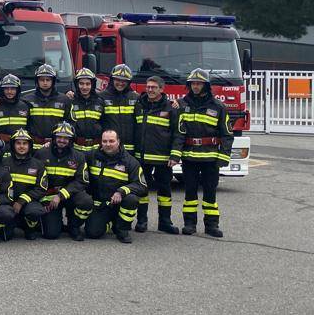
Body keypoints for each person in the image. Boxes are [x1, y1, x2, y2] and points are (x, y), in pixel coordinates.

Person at [172, 68, 232, 237]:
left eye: (199, 84)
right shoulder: (182, 105)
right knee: (190, 192)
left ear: (206, 85)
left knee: (210, 192)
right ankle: (189, 224)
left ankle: (211, 225)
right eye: (193, 84)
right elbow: (178, 133)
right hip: (190, 157)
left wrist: (224, 156)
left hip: (211, 158)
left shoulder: (218, 107)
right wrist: (176, 154)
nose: (196, 86)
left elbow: (227, 134)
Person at [133, 75, 180, 234]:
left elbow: (178, 133)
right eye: (148, 87)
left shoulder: (170, 108)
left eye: (154, 87)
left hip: (163, 158)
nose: (150, 90)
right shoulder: (139, 105)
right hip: (142, 157)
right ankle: (141, 221)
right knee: (142, 191)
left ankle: (165, 222)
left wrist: (174, 155)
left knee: (164, 191)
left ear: (161, 89)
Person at [84, 129, 147, 243]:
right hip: (100, 205)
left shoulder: (130, 161)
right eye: (105, 141)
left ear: (118, 142)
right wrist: (48, 146)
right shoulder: (91, 156)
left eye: (111, 141)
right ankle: (110, 223)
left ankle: (122, 229)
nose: (108, 144)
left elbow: (142, 186)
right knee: (92, 233)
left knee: (131, 198)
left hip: (119, 204)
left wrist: (121, 191)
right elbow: (72, 156)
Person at [32, 121, 91, 241]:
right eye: (59, 137)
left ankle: (74, 226)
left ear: (71, 139)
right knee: (51, 234)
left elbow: (82, 181)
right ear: (53, 138)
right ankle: (52, 222)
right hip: (49, 196)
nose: (62, 140)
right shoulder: (41, 153)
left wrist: (61, 195)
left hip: (70, 194)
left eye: (66, 138)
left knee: (86, 201)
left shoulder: (79, 156)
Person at [1, 128, 47, 241]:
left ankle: (29, 227)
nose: (21, 146)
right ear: (13, 145)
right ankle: (14, 222)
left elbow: (41, 188)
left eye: (25, 143)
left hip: (28, 202)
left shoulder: (38, 165)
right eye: (18, 143)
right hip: (8, 202)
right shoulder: (3, 162)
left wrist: (21, 201)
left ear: (29, 146)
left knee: (35, 211)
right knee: (6, 236)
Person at [25, 63, 71, 149]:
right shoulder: (27, 100)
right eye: (42, 80)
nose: (45, 83)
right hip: (33, 147)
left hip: (56, 146)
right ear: (37, 81)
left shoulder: (64, 100)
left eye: (48, 79)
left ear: (53, 81)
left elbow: (69, 123)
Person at [100, 63, 140, 156]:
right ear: (112, 79)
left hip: (130, 149)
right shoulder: (101, 97)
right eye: (118, 80)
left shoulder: (136, 98)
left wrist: (173, 102)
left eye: (124, 81)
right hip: (109, 148)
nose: (121, 83)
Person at [69, 67, 105, 153]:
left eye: (88, 84)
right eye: (81, 83)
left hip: (96, 149)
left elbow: (106, 123)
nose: (84, 87)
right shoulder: (70, 101)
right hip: (75, 149)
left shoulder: (100, 102)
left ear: (92, 85)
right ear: (77, 84)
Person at [0, 73, 30, 143]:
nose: (9, 92)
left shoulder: (25, 106)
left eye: (12, 88)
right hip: (0, 147)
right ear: (2, 90)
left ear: (17, 90)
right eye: (6, 89)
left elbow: (30, 128)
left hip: (19, 147)